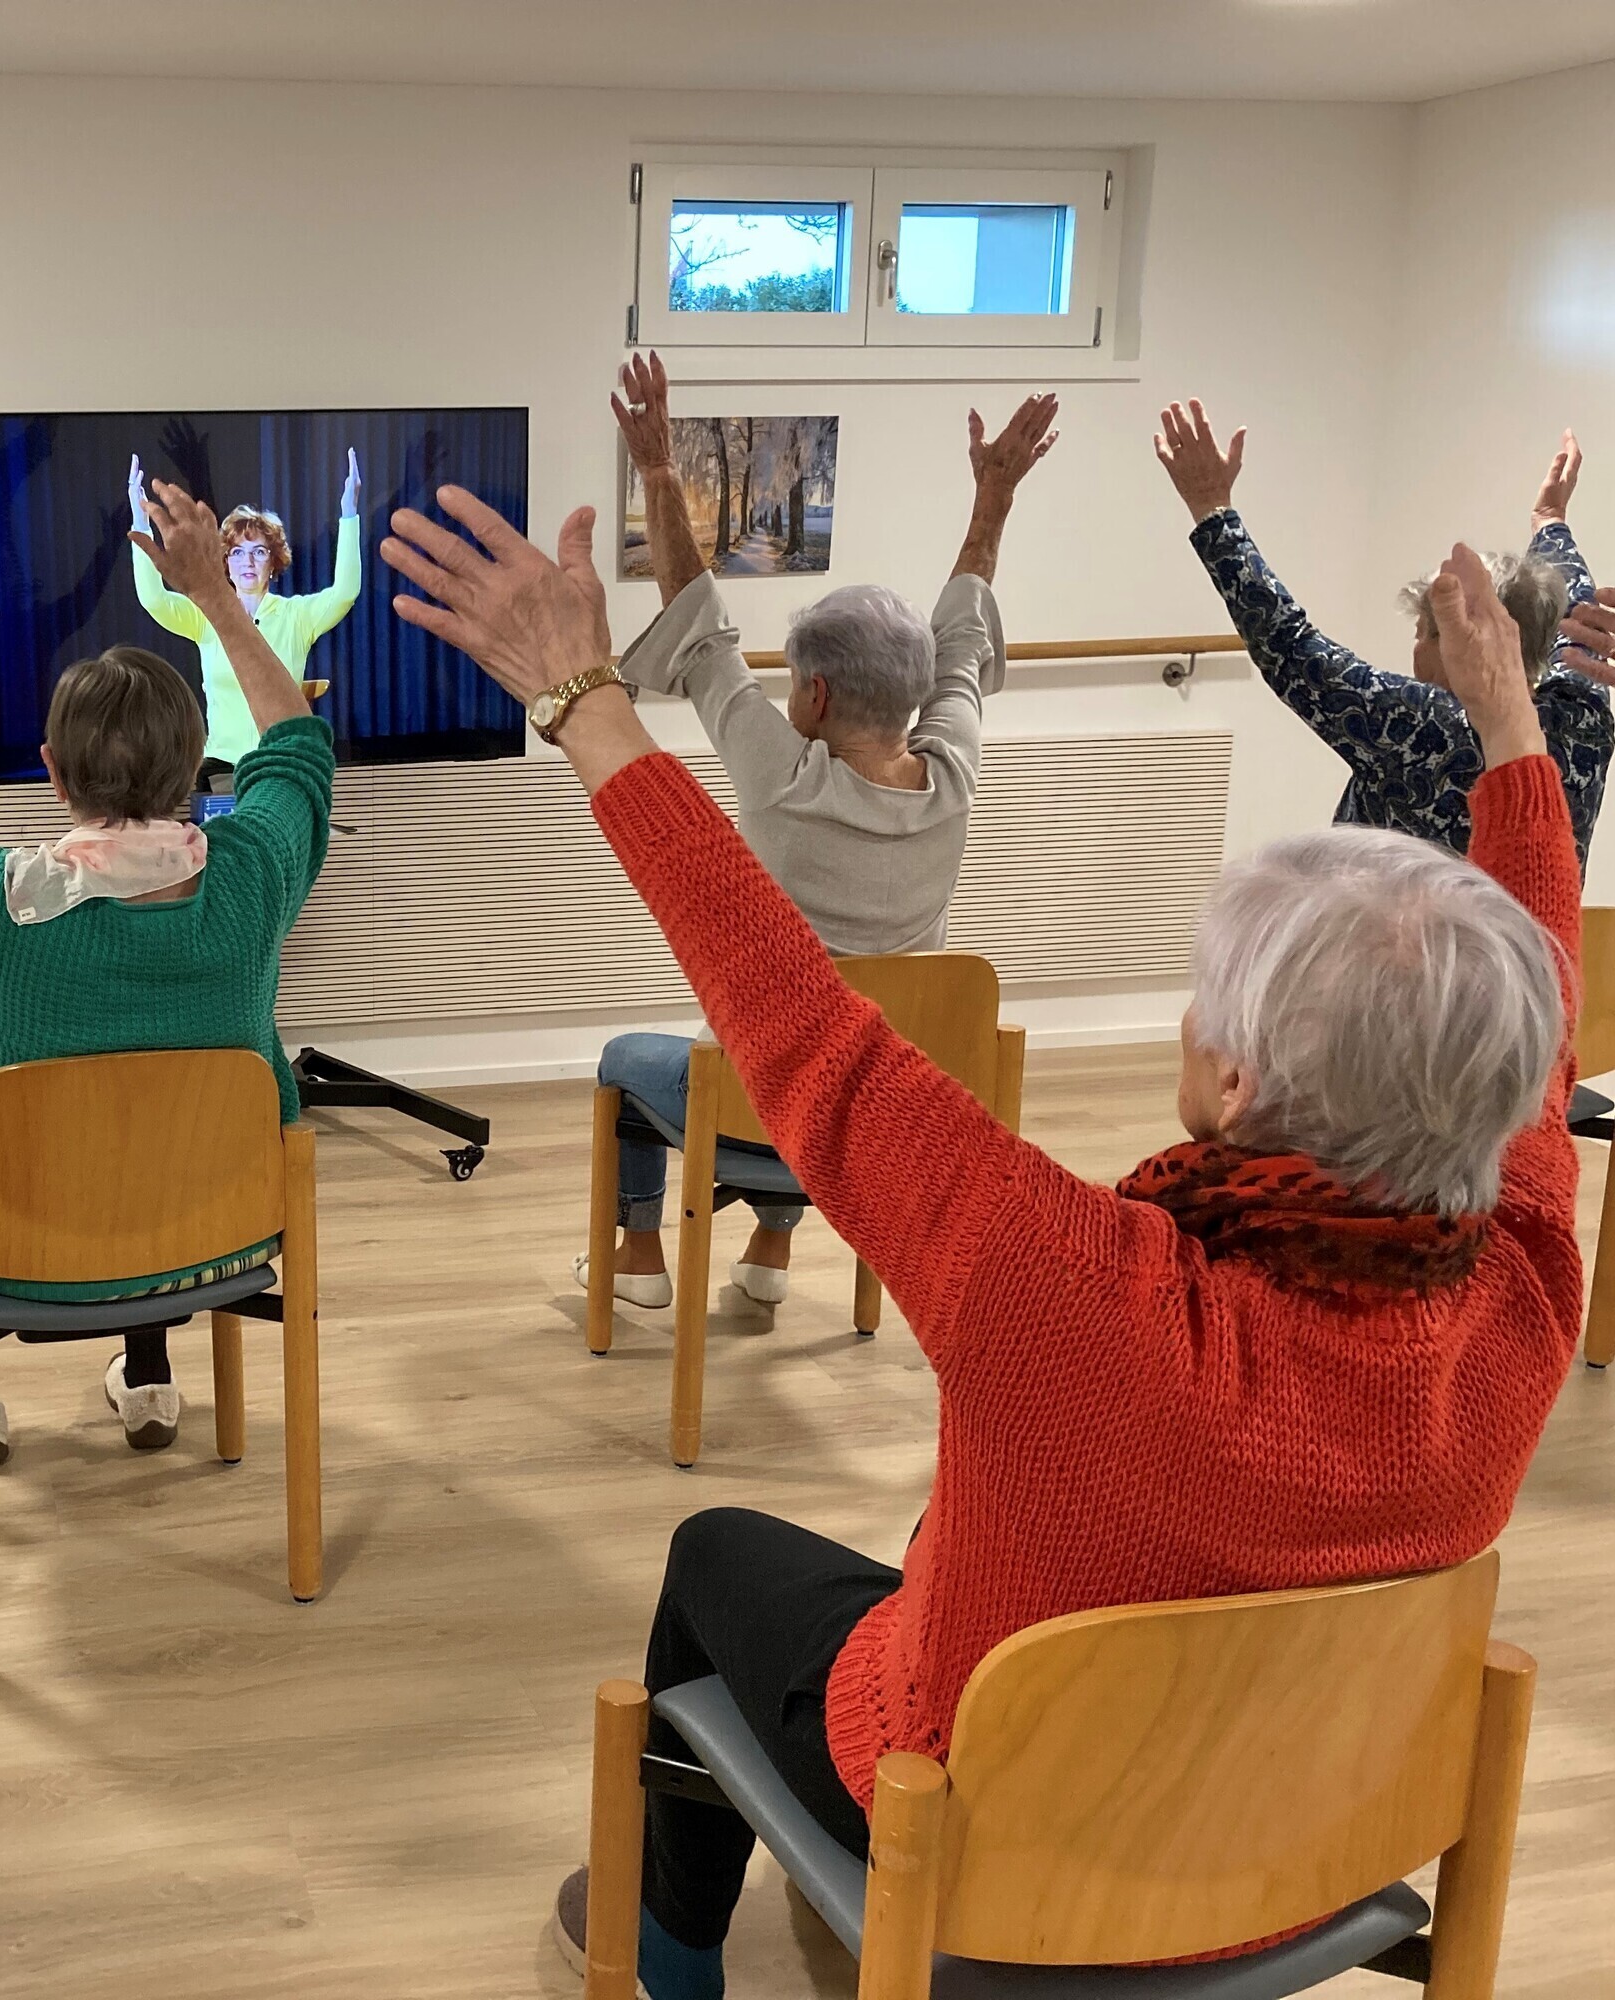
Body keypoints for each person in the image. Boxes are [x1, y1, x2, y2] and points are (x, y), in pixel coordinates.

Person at [380, 490, 1582, 1998]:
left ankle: (661, 1948)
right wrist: (1515, 738)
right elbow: (1542, 1010)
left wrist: (582, 701)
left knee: (709, 1557)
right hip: (1314, 1848)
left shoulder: (1075, 1292)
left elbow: (804, 1029)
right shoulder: (1525, 1287)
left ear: (1237, 1084)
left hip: (1001, 1841)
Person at [0, 483, 334, 1470]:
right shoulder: (256, 876)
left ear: (54, 773)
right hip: (221, 1239)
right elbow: (298, 749)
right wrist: (217, 601)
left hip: (12, 1248)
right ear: (198, 762)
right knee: (149, 1124)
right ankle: (147, 1373)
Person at [587, 353, 1055, 1309]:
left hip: (775, 1105)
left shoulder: (782, 781)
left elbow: (698, 624)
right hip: (891, 1110)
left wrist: (661, 472)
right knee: (847, 1022)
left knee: (631, 1061)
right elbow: (961, 641)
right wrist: (992, 498)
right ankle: (770, 1252)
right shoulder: (953, 779)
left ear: (815, 693)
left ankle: (639, 1261)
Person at [1156, 399, 1609, 865]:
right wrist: (1551, 520)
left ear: (1455, 639)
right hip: (1531, 938)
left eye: (1422, 632)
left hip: (1400, 939)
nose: (1414, 648)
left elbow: (1287, 642)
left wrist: (1213, 509)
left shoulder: (1416, 725)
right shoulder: (1581, 719)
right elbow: (1579, 613)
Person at [127, 445, 363, 777]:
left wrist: (349, 514)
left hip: (280, 765)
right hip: (221, 768)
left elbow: (345, 593)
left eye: (259, 551)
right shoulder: (206, 615)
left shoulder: (297, 617)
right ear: (225, 561)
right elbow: (154, 599)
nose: (247, 562)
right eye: (237, 553)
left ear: (274, 561)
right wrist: (141, 524)